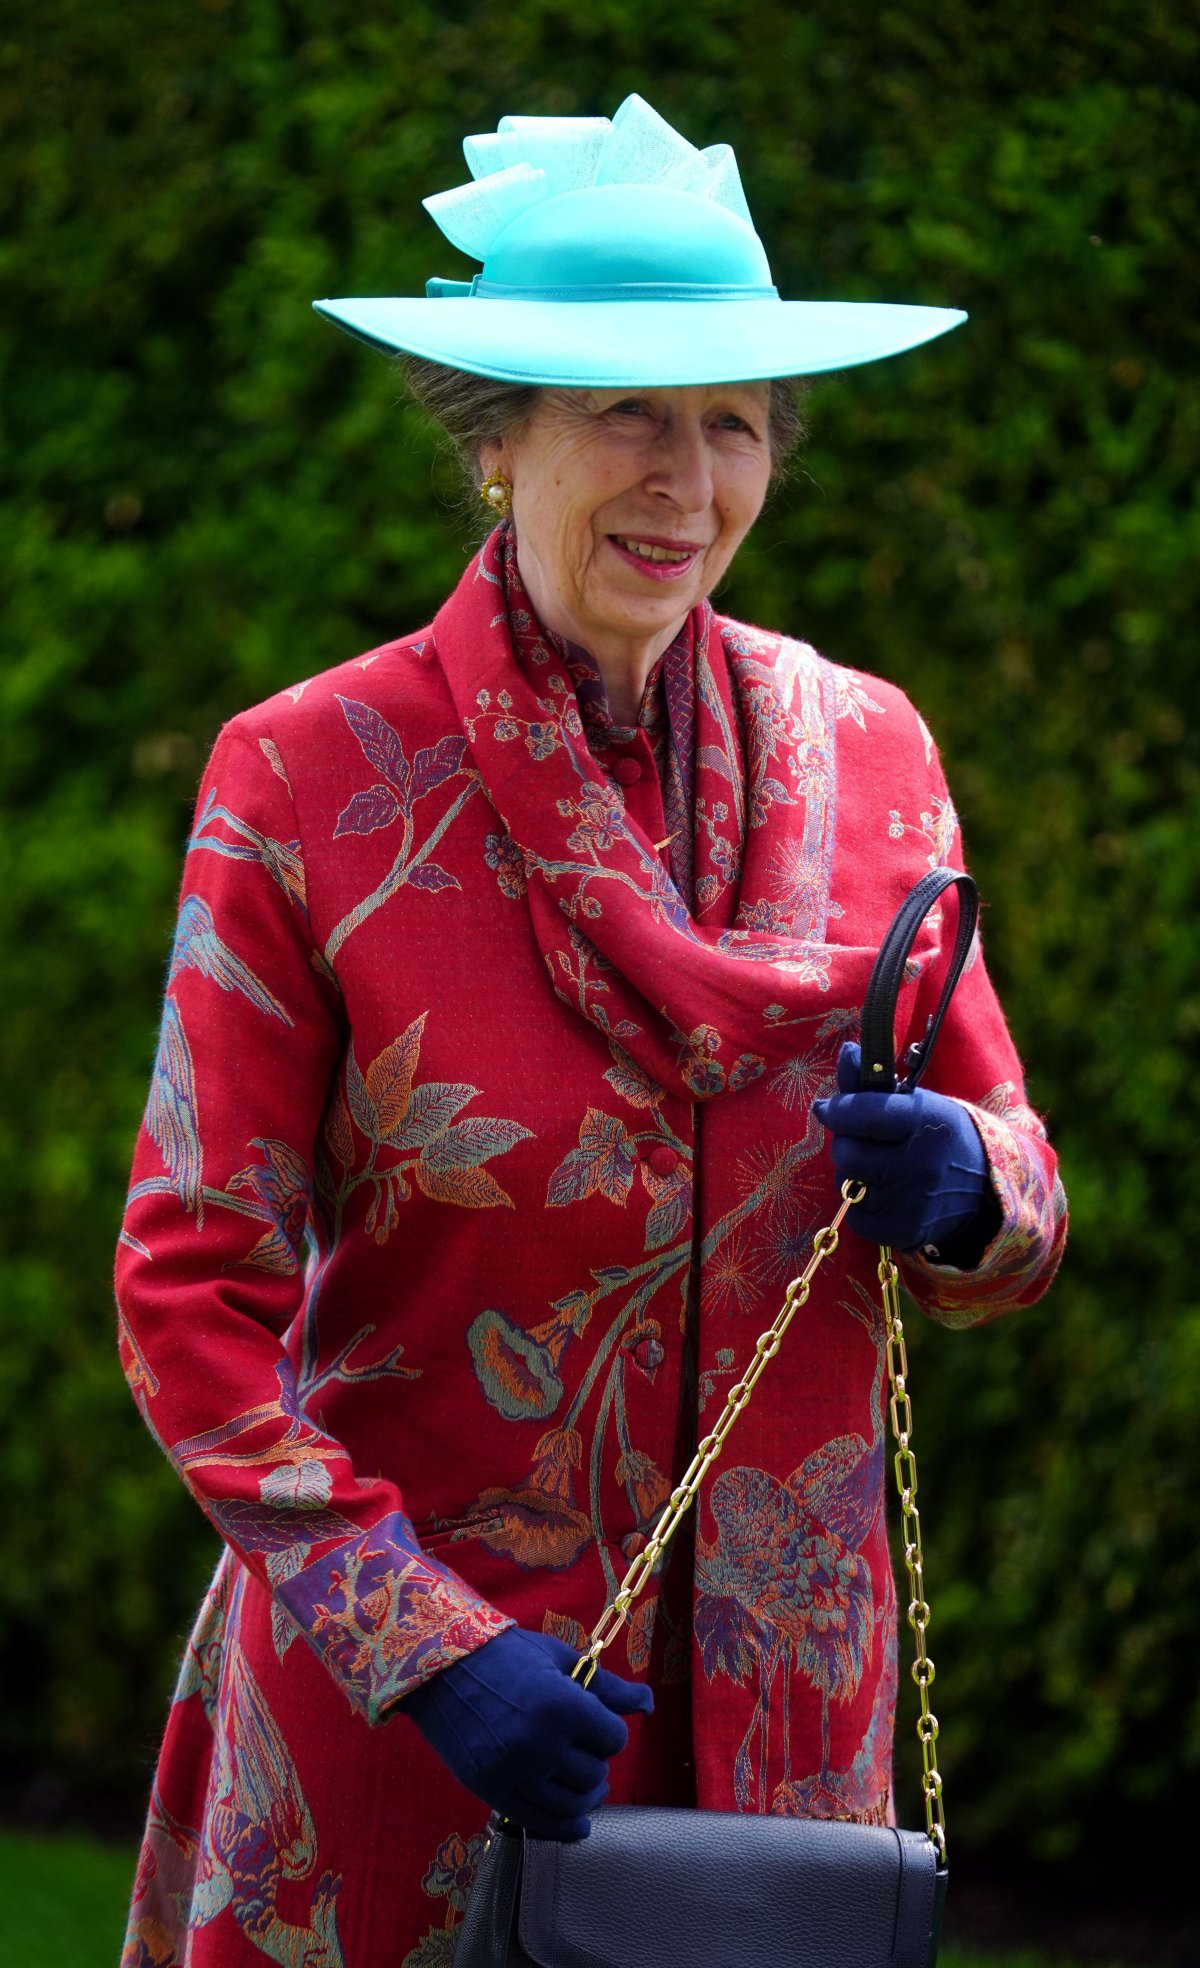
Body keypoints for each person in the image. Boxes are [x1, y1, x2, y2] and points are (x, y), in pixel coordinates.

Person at [116, 94, 1066, 1968]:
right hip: (424, 1718)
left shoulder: (873, 754)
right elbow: (189, 1293)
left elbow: (1018, 1184)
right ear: (498, 442)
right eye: (625, 413)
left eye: (731, 424)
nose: (685, 480)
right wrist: (422, 1647)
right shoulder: (312, 779)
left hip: (787, 1739)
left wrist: (966, 1189)